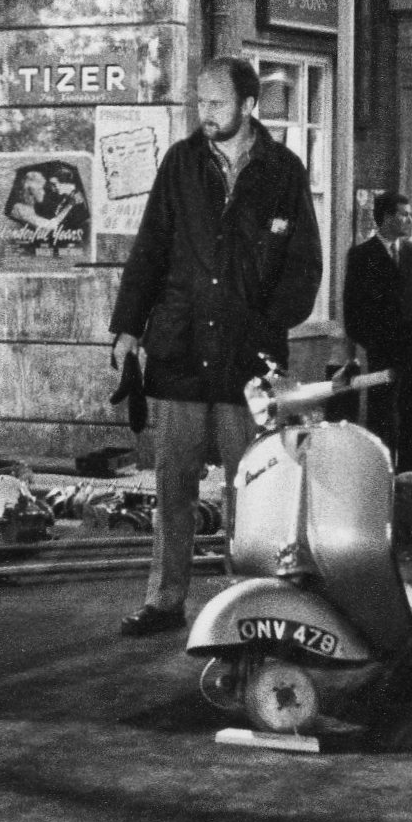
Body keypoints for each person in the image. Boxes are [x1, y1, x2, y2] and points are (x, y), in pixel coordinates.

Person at [108, 55, 323, 639]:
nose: (205, 114)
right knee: (172, 484)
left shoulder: (283, 170)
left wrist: (265, 327)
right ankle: (163, 599)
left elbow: (304, 266)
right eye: (200, 103)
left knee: (247, 490)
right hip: (178, 348)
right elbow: (150, 247)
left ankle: (243, 600)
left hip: (245, 361)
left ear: (249, 106)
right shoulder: (180, 164)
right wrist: (128, 327)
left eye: (217, 104)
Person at [343, 190, 412, 474]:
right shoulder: (362, 255)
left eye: (411, 214)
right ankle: (383, 479)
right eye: (403, 214)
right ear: (385, 218)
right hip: (385, 354)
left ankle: (410, 481)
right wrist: (375, 343)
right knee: (384, 420)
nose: (410, 220)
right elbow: (353, 311)